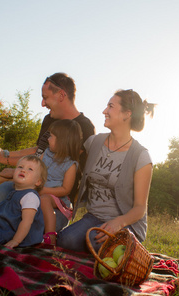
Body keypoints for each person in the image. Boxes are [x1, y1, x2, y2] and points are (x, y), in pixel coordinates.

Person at [56, 89, 156, 253]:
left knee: (94, 243)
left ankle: (127, 247)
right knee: (65, 241)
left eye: (110, 106)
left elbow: (139, 208)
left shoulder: (141, 156)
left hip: (125, 223)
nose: (104, 111)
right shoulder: (94, 142)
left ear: (127, 114)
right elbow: (65, 152)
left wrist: (119, 223)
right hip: (93, 217)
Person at [0, 73, 95, 229]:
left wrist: (7, 162)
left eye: (45, 97)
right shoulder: (49, 120)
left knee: (42, 219)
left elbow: (75, 171)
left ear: (61, 95)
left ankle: (21, 222)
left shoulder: (84, 127)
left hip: (55, 198)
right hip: (32, 184)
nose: (42, 103)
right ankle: (20, 222)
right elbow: (38, 152)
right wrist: (6, 155)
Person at [39, 119, 82, 245]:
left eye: (51, 136)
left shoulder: (70, 165)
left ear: (62, 141)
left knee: (45, 200)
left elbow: (65, 189)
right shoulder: (46, 154)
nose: (48, 139)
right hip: (40, 190)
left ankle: (50, 236)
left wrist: (43, 190)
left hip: (57, 199)